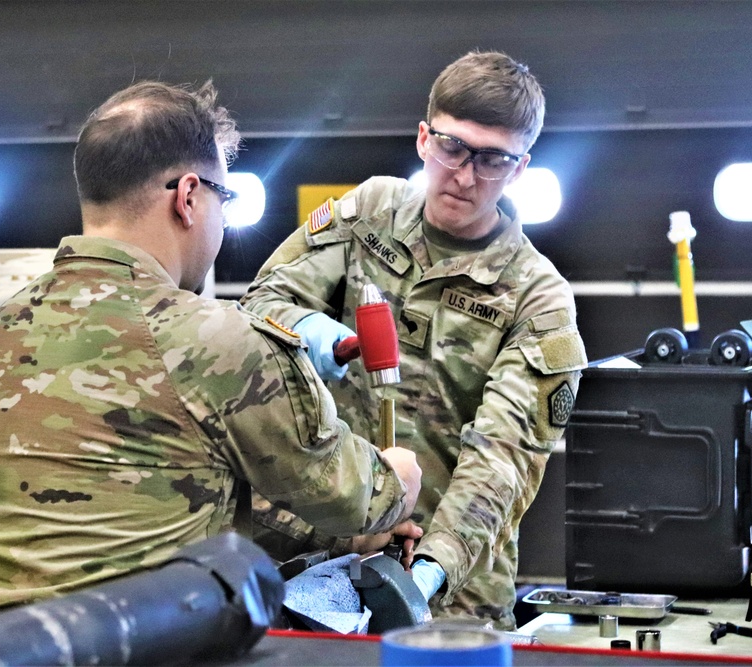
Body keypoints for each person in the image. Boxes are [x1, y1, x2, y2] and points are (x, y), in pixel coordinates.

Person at [0, 80, 422, 631]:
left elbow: (152, 492)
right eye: (222, 199)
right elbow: (356, 496)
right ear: (187, 196)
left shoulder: (3, 329)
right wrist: (397, 479)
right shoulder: (215, 339)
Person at [241, 50, 588, 629]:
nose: (466, 175)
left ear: (520, 167)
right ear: (424, 138)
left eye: (493, 159)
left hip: (452, 593)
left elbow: (501, 465)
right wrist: (322, 336)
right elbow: (261, 306)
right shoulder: (369, 212)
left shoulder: (538, 299)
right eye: (453, 147)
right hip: (323, 558)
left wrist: (419, 578)